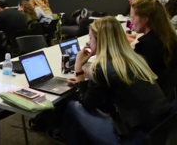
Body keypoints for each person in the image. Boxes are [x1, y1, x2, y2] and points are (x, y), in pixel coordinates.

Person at [63, 16, 171, 145]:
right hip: (158, 131)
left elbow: (87, 104)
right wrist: (90, 77)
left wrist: (79, 69)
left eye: (91, 38)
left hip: (133, 137)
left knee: (73, 106)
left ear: (100, 41)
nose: (89, 42)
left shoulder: (102, 67)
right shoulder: (135, 59)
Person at [131, 0, 177, 101]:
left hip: (151, 103)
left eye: (133, 18)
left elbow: (134, 77)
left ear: (145, 18)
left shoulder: (147, 46)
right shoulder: (169, 39)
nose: (132, 22)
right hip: (168, 98)